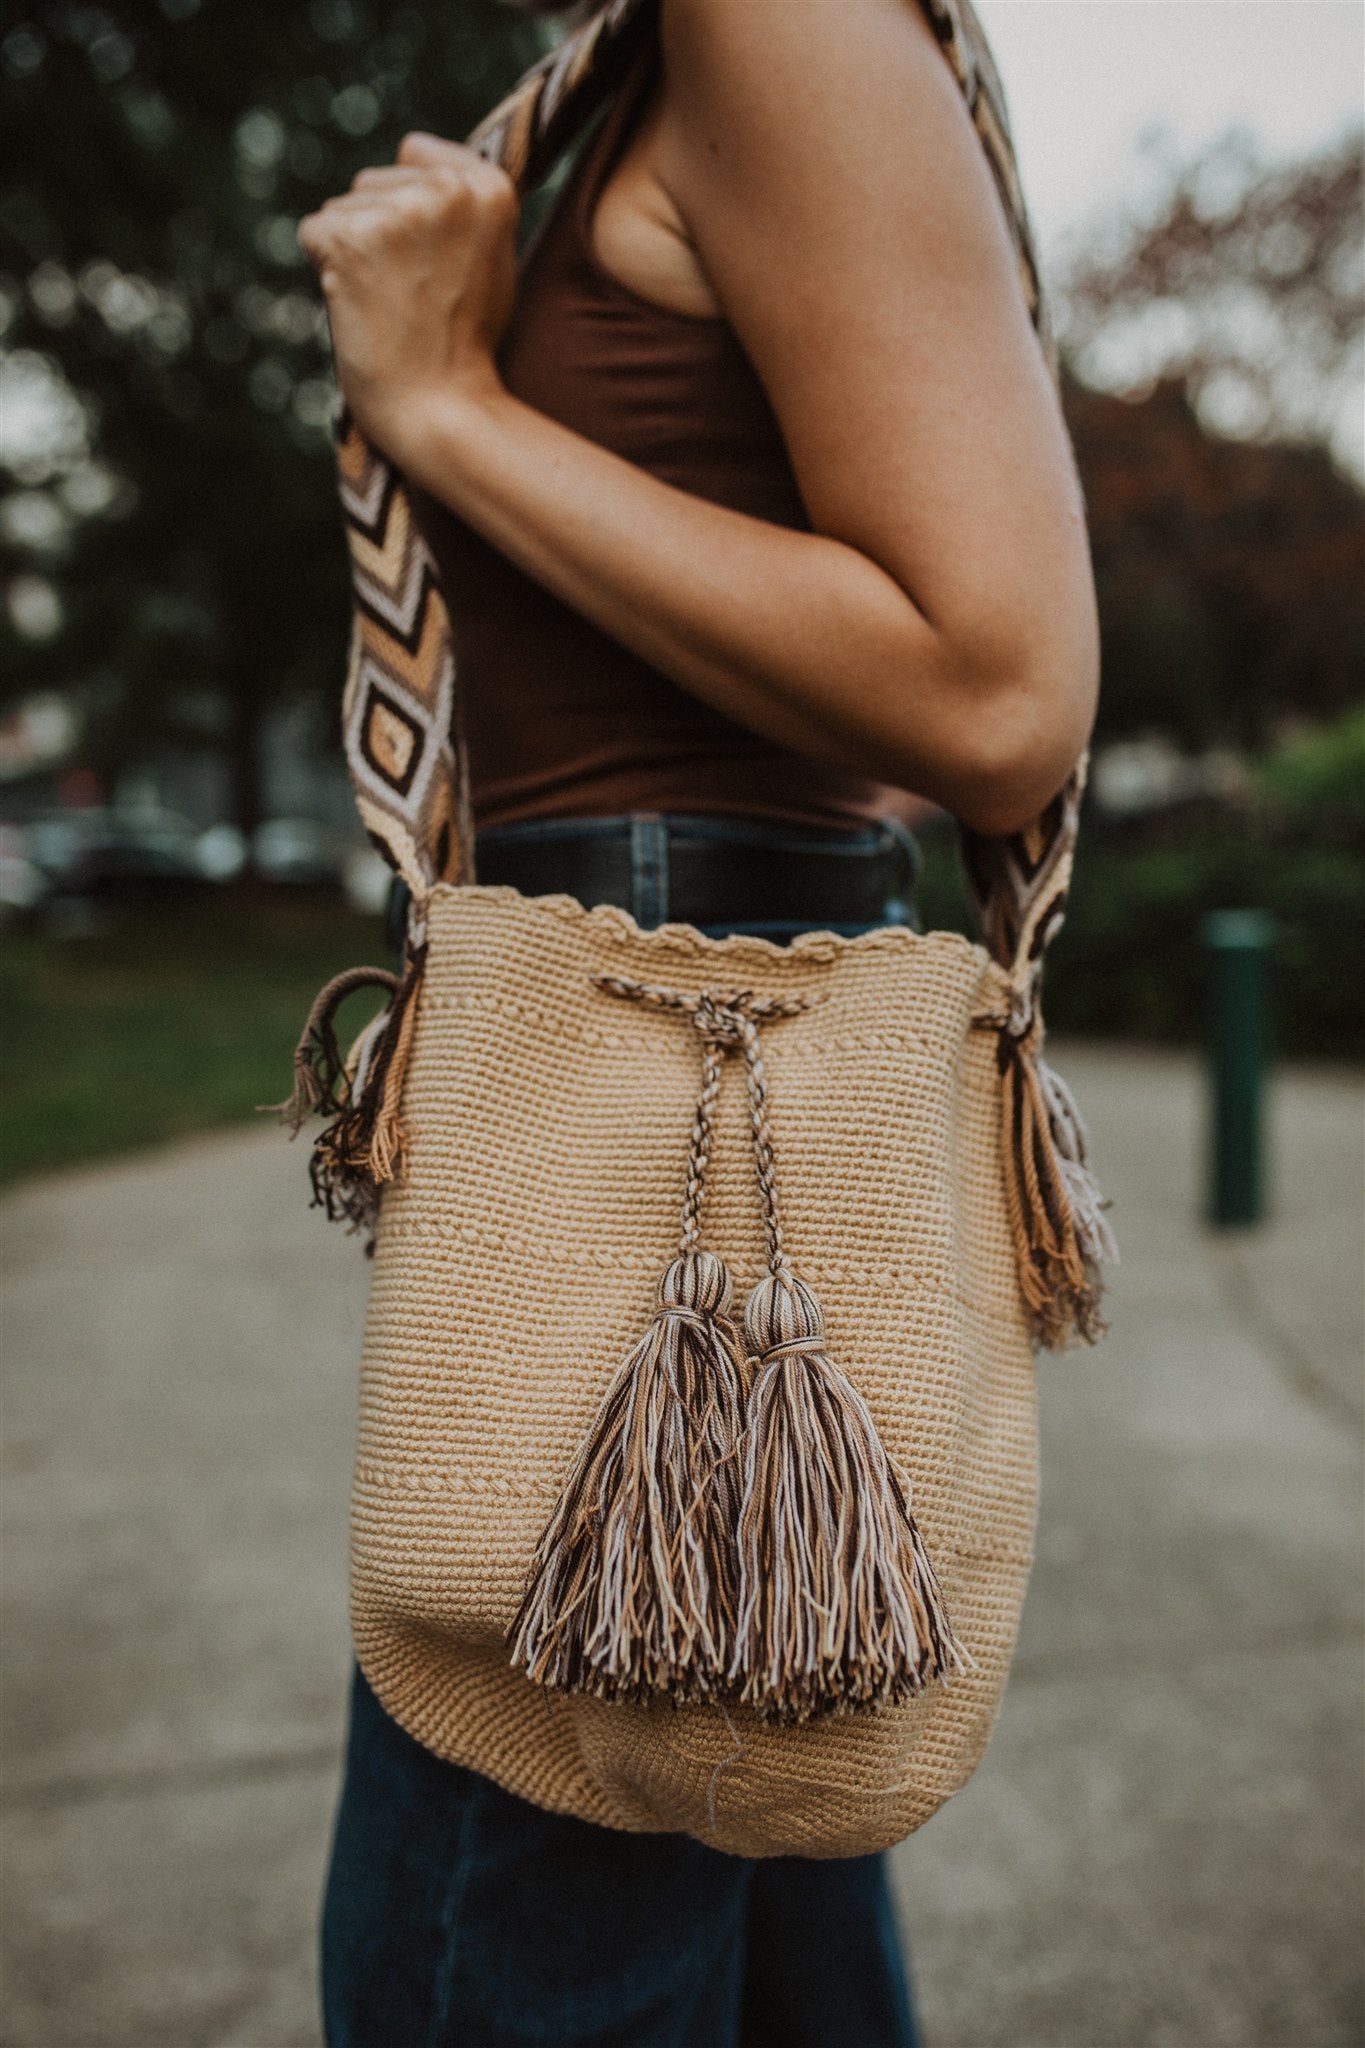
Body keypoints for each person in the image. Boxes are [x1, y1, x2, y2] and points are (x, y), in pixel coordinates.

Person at [299, 1, 1098, 2040]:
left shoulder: (777, 19)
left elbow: (996, 694)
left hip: (665, 1013)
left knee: (498, 1916)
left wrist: (443, 401)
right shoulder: (666, 60)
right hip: (668, 966)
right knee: (734, 1869)